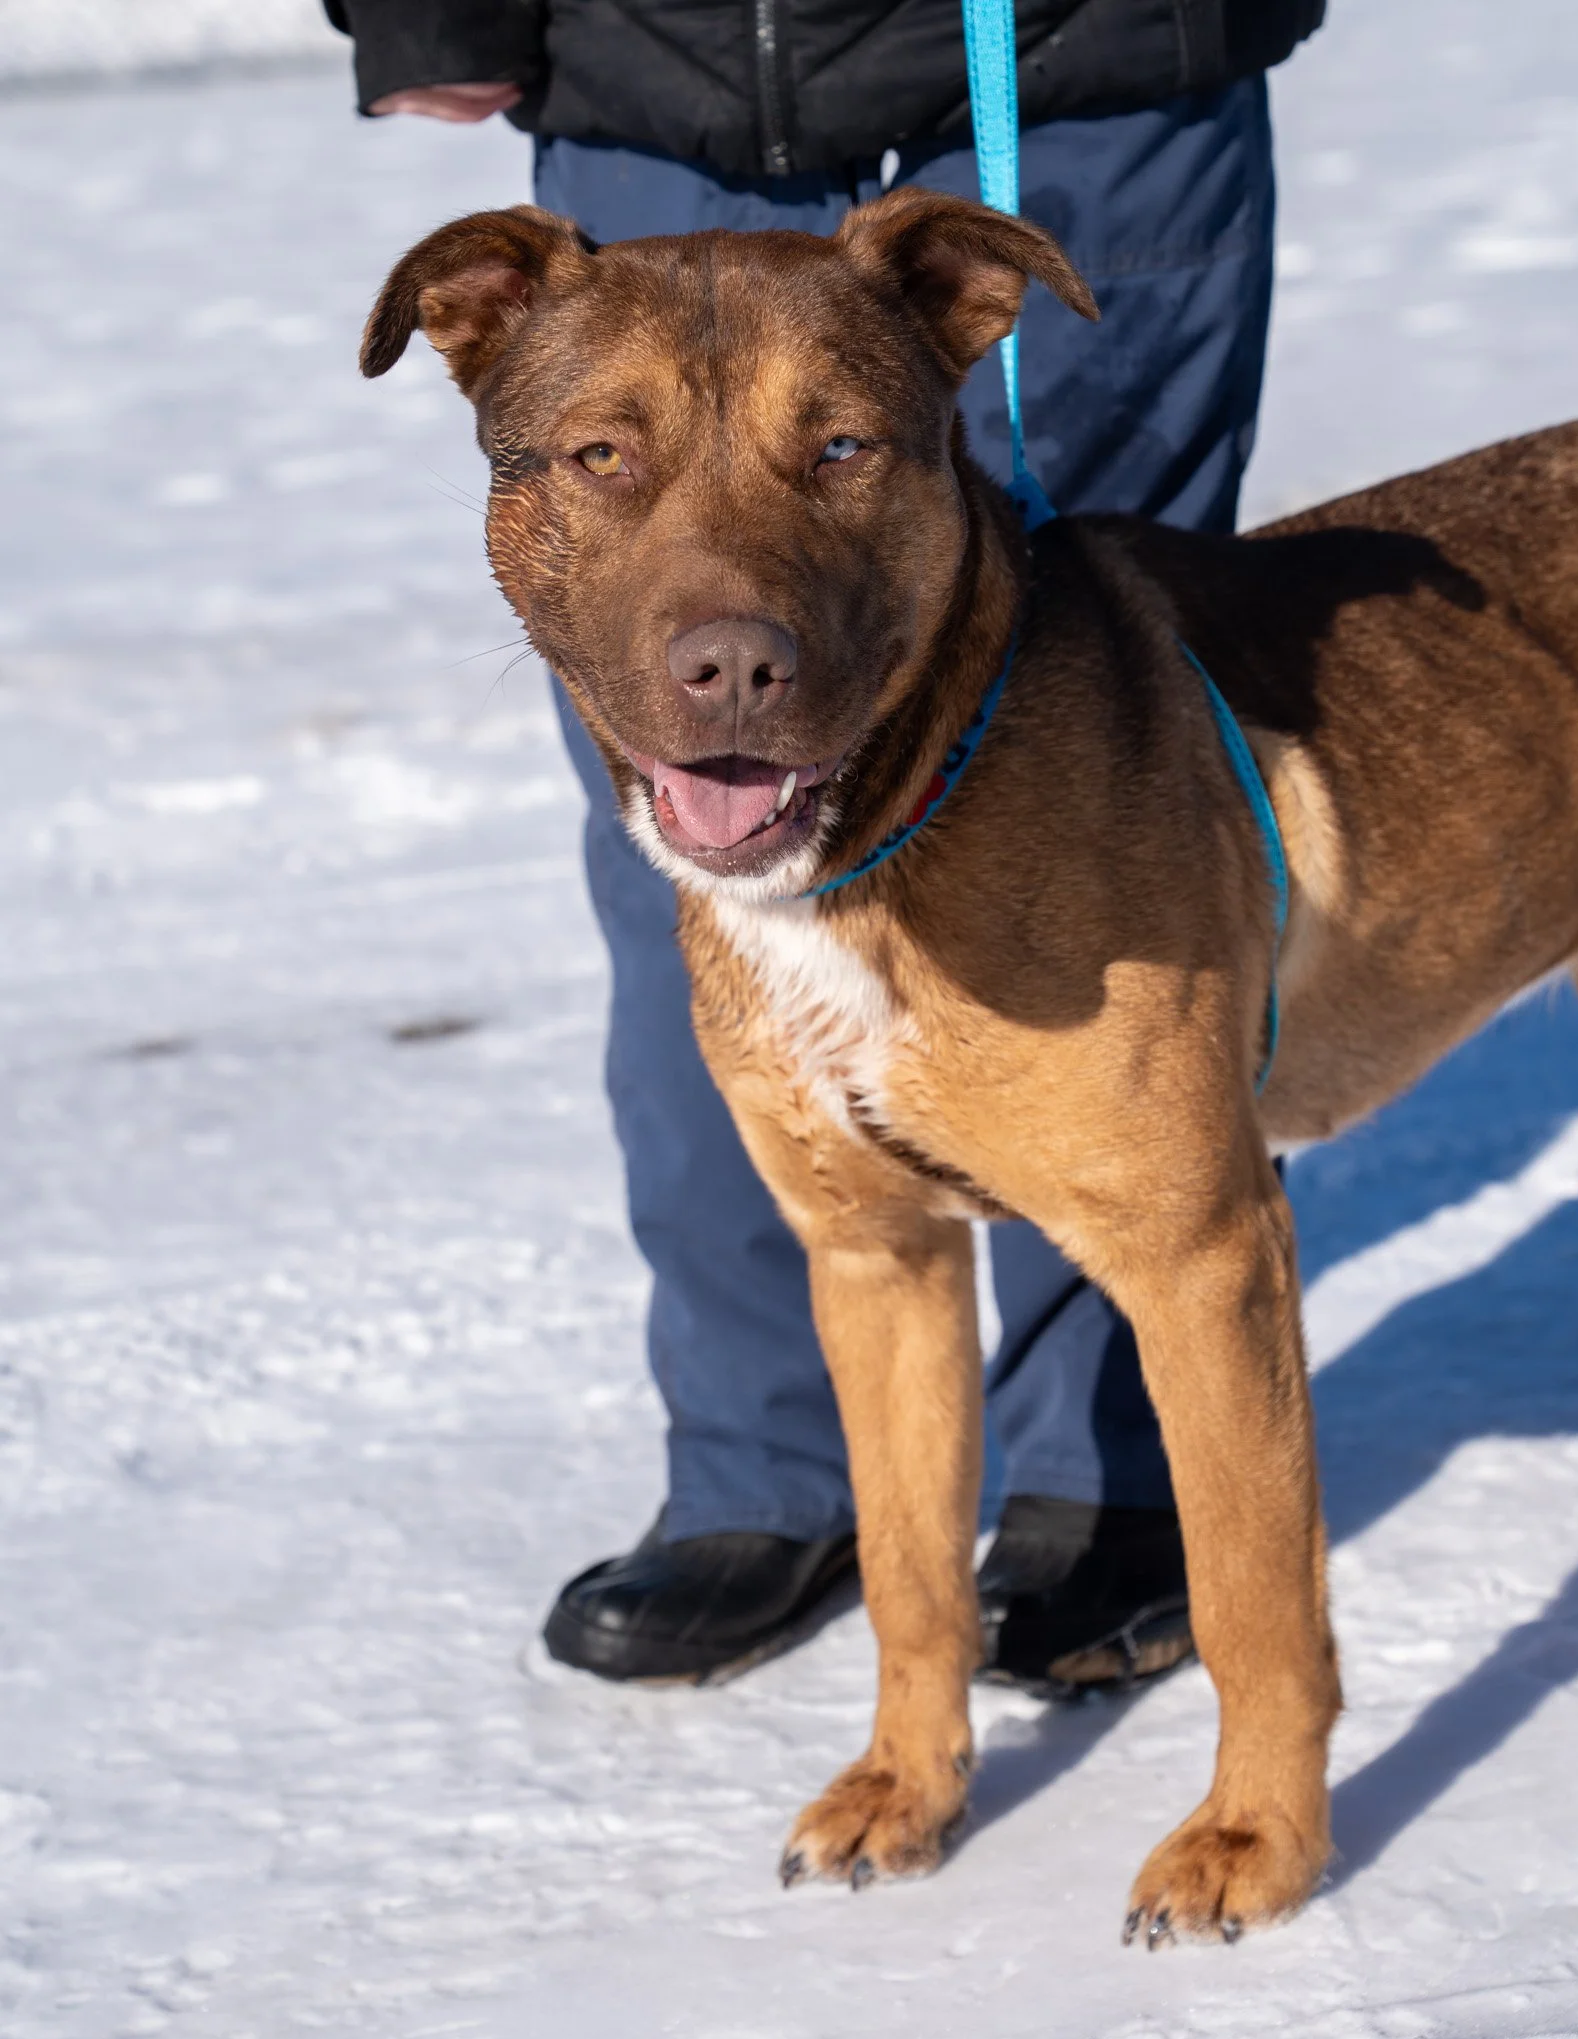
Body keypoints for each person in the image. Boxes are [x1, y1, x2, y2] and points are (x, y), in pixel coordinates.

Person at [325, 0, 1322, 1689]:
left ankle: (1108, 1472)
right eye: (598, 460)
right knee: (692, 846)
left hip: (1081, 58)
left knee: (1108, 782)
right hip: (656, 59)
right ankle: (766, 1473)